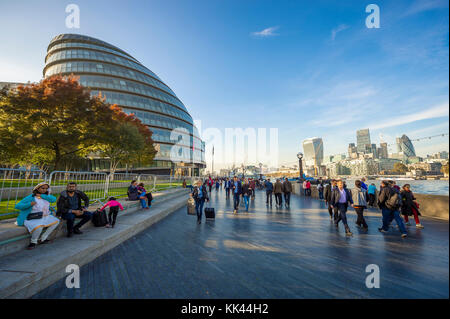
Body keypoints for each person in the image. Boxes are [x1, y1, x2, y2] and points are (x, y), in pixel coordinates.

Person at [15, 182, 60, 250]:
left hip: (45, 216)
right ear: (37, 188)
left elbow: (53, 199)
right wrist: (29, 204)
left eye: (46, 188)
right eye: (42, 188)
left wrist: (42, 196)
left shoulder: (46, 197)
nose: (44, 190)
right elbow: (18, 206)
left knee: (57, 221)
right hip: (33, 217)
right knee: (39, 227)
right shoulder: (31, 197)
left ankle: (43, 238)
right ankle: (33, 242)